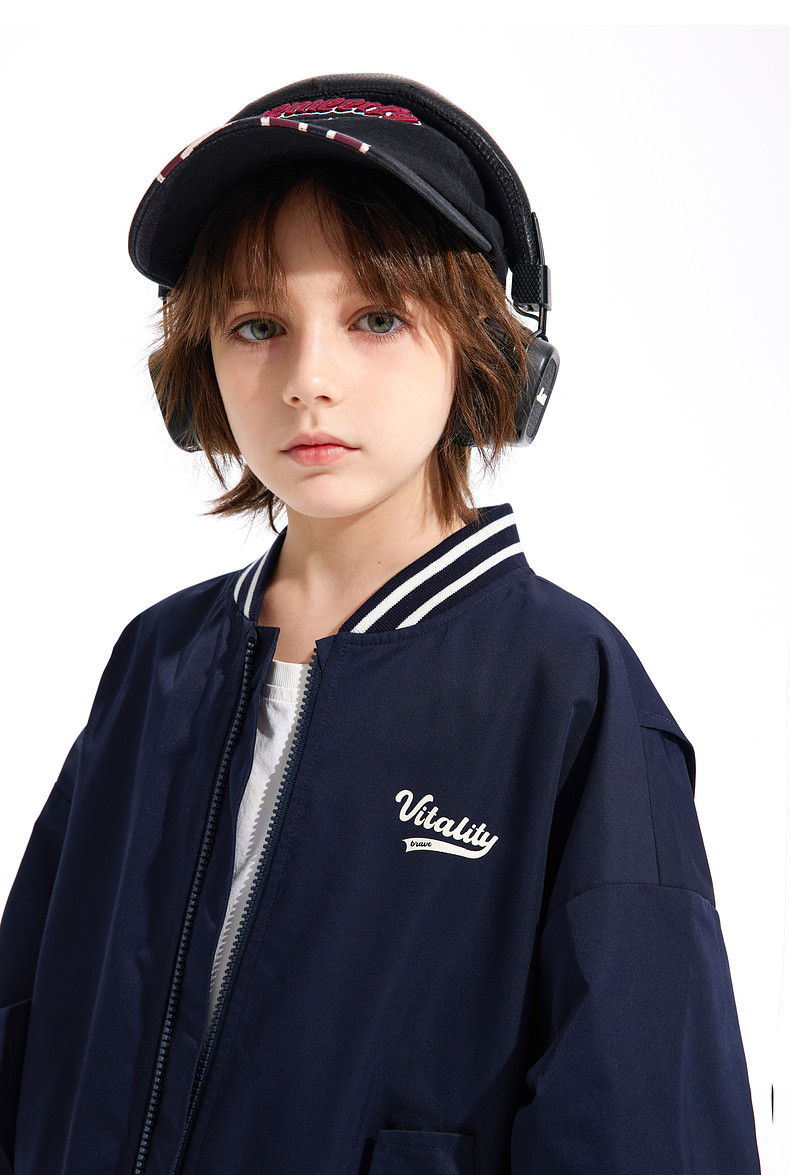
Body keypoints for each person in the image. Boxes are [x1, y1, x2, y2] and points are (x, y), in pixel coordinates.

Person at [0, 74, 760, 1175]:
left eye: (377, 319)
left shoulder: (568, 689)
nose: (308, 379)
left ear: (488, 348)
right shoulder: (157, 661)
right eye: (258, 325)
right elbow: (27, 1023)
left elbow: (647, 1118)